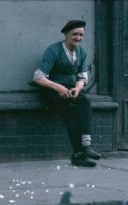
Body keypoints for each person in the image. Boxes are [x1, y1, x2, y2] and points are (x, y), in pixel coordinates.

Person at [33, 20, 101, 167]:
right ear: (66, 34)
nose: (78, 38)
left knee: (85, 102)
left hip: (71, 90)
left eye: (81, 35)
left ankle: (86, 145)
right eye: (75, 34)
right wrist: (57, 87)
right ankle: (78, 155)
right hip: (52, 92)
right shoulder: (53, 50)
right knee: (70, 113)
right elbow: (38, 77)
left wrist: (78, 88)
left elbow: (82, 76)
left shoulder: (81, 52)